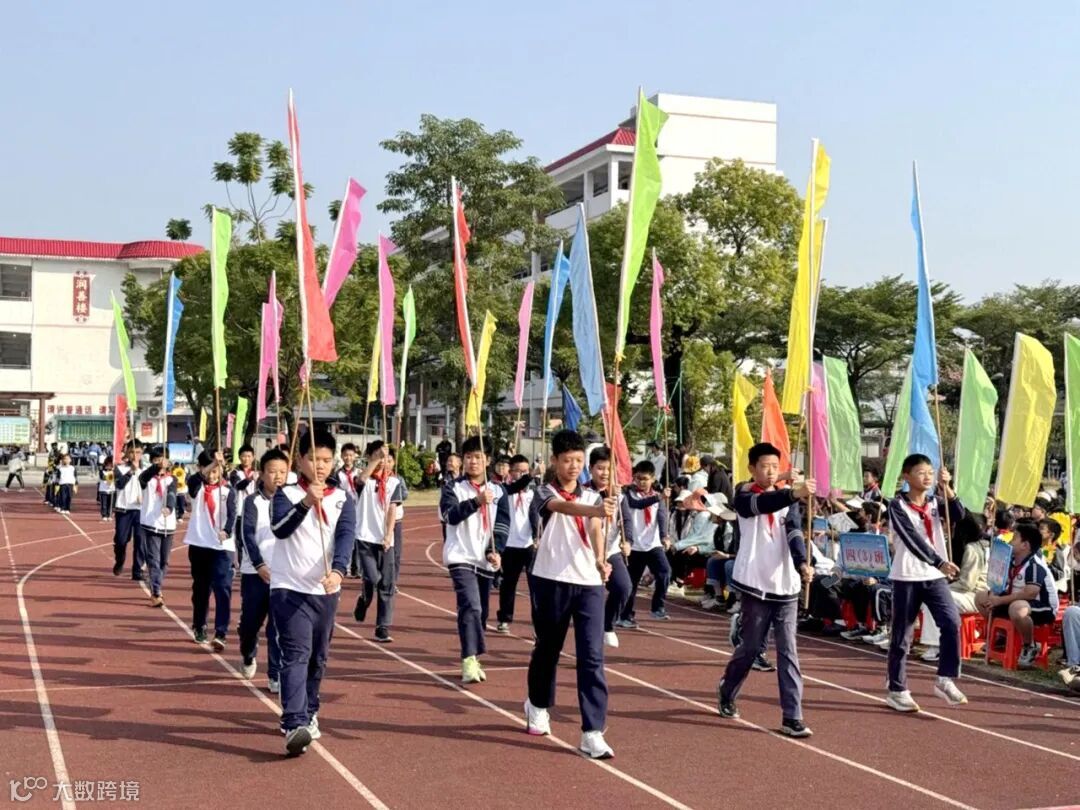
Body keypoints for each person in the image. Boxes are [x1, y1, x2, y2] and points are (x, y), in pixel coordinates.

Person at [524, 429, 616, 759]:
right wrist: (596, 511)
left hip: (589, 583)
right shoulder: (542, 492)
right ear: (555, 461)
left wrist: (601, 560)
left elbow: (595, 530)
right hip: (551, 579)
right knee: (548, 649)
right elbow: (561, 507)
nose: (573, 466)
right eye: (567, 460)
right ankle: (537, 704)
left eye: (578, 460)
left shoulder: (593, 496)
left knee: (592, 657)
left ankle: (592, 731)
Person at [717, 442, 816, 738]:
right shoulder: (744, 495)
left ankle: (792, 716)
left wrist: (802, 563)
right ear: (752, 468)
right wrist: (793, 491)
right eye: (764, 466)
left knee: (788, 651)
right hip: (755, 584)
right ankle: (727, 689)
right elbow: (761, 505)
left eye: (775, 467)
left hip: (785, 585)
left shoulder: (787, 498)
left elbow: (794, 530)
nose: (770, 472)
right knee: (750, 648)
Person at [270, 430, 355, 756]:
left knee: (318, 659)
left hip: (325, 591)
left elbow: (346, 537)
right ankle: (294, 723)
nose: (320, 465)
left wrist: (338, 572)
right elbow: (280, 529)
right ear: (300, 460)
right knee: (296, 654)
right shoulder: (286, 494)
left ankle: (310, 709)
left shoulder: (343, 498)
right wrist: (306, 502)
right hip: (289, 589)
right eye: (313, 459)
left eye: (326, 460)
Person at [884, 455, 967, 712]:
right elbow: (911, 539)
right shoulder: (897, 505)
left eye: (930, 472)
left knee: (951, 622)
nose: (927, 477)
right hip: (907, 576)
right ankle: (897, 689)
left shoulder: (936, 502)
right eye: (921, 472)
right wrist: (939, 561)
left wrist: (948, 489)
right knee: (902, 635)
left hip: (934, 577)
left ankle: (945, 678)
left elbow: (959, 515)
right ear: (907, 476)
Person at [441, 436, 508, 683]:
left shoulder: (499, 491)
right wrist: (476, 502)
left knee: (481, 613)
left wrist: (495, 550)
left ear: (487, 460)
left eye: (478, 457)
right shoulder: (453, 488)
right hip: (460, 556)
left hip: (484, 560)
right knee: (471, 605)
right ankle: (468, 658)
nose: (473, 462)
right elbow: (450, 515)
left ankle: (473, 654)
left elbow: (502, 526)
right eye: (468, 457)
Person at [238, 448, 289, 694]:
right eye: (272, 472)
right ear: (262, 473)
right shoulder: (252, 502)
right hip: (255, 574)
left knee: (277, 627)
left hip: (283, 575)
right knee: (250, 625)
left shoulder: (293, 500)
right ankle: (248, 654)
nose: (278, 477)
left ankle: (275, 673)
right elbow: (247, 535)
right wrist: (259, 565)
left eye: (282, 472)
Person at [975, 521, 1059, 668]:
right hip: (1015, 601)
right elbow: (999, 583)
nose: (1010, 541)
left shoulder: (1034, 565)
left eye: (1014, 538)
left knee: (1017, 609)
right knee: (981, 597)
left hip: (1043, 607)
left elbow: (1030, 593)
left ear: (1025, 545)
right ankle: (1001, 636)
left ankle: (1029, 645)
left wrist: (999, 601)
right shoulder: (1010, 561)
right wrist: (993, 594)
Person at [919, 513, 991, 662]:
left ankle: (937, 646)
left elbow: (967, 584)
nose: (948, 527)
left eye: (952, 525)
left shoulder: (973, 549)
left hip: (974, 595)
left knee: (934, 598)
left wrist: (943, 587)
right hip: (961, 592)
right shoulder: (958, 545)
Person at [184, 450, 237, 649]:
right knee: (201, 589)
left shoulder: (228, 491)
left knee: (222, 587)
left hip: (221, 547)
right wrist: (213, 463)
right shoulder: (197, 487)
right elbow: (192, 482)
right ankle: (199, 625)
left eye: (216, 471)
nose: (213, 475)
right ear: (201, 468)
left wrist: (227, 531)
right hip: (199, 544)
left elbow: (232, 515)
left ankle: (221, 632)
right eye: (209, 470)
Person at [352, 440, 402, 643]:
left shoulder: (394, 483)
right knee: (373, 578)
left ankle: (382, 626)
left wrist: (389, 535)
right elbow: (361, 479)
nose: (383, 461)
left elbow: (392, 510)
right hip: (364, 537)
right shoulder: (362, 480)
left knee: (387, 583)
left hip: (384, 540)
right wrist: (376, 460)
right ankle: (365, 598)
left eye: (387, 457)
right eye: (379, 456)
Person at [586, 447, 631, 649]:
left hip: (610, 550)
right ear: (590, 469)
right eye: (600, 468)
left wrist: (628, 541)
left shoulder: (619, 496)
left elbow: (626, 520)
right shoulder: (583, 493)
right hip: (586, 552)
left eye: (609, 469)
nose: (605, 473)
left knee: (623, 587)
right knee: (591, 597)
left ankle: (608, 625)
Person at [617, 460, 672, 626]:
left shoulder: (658, 496)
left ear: (653, 479)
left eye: (645, 479)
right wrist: (658, 497)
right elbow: (638, 505)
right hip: (634, 546)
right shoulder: (629, 495)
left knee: (665, 572)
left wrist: (664, 536)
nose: (641, 482)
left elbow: (662, 516)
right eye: (638, 478)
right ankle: (625, 615)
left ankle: (657, 607)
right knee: (631, 583)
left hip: (652, 545)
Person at [496, 454, 536, 633]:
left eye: (525, 471)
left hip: (529, 545)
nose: (522, 474)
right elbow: (516, 487)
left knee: (536, 586)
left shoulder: (534, 493)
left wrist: (538, 535)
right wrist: (530, 476)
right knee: (508, 585)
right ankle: (505, 618)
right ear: (510, 472)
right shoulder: (503, 490)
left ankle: (538, 621)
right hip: (510, 545)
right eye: (518, 471)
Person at [139, 446, 177, 607]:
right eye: (156, 460)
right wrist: (156, 467)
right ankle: (156, 592)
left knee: (164, 561)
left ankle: (156, 582)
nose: (161, 463)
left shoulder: (171, 479)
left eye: (163, 459)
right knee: (154, 560)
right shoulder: (147, 478)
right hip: (150, 523)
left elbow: (172, 494)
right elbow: (143, 477)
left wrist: (169, 507)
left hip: (168, 524)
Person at [113, 441, 146, 580]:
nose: (135, 455)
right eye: (132, 452)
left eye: (138, 452)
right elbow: (119, 484)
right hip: (124, 509)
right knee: (121, 540)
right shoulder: (119, 468)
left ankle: (137, 570)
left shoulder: (146, 470)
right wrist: (131, 471)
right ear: (127, 453)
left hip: (140, 510)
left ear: (142, 453)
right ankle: (120, 560)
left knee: (140, 540)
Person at [98, 456, 115, 521]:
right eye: (108, 465)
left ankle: (109, 515)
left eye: (110, 465)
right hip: (103, 490)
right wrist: (110, 477)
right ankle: (104, 515)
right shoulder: (102, 471)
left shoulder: (114, 471)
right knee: (104, 504)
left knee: (110, 504)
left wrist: (113, 472)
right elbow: (102, 477)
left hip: (111, 490)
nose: (109, 466)